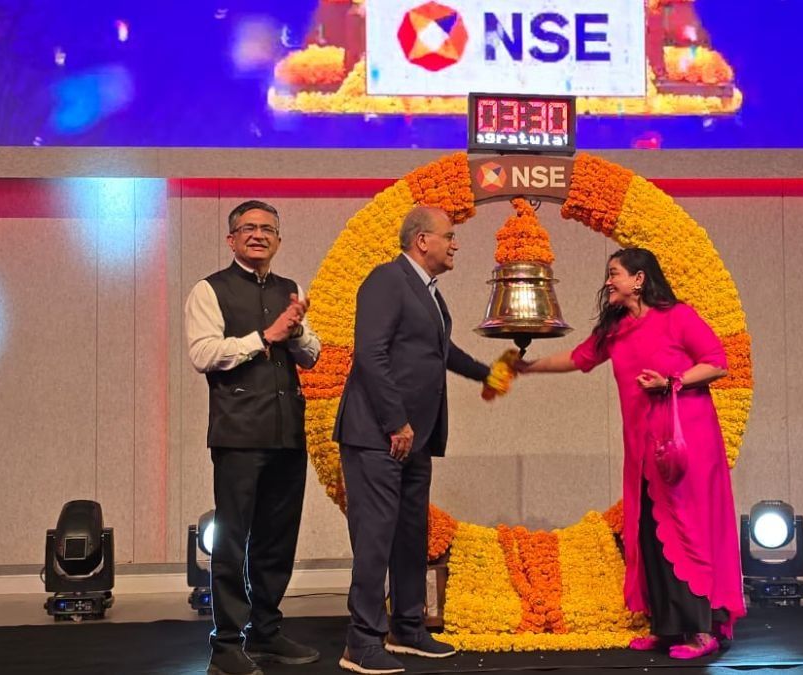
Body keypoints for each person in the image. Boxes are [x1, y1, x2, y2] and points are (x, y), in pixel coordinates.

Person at [519, 247, 746, 660]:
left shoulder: (679, 317)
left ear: (639, 279)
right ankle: (666, 626)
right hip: (642, 446)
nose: (609, 281)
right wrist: (528, 366)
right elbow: (577, 358)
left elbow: (716, 362)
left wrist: (671, 380)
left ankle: (700, 631)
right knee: (650, 534)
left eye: (615, 273)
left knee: (686, 532)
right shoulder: (616, 329)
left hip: (686, 445)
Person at [334, 206, 502, 675]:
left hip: (415, 439)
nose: (456, 244)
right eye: (449, 236)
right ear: (421, 240)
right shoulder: (387, 279)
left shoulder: (428, 293)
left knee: (411, 534)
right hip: (379, 435)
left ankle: (406, 627)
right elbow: (369, 353)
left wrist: (489, 373)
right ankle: (360, 643)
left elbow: (439, 350)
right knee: (376, 538)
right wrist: (395, 422)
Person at [185, 200, 322, 675]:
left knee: (277, 541)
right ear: (231, 239)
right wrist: (265, 335)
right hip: (239, 434)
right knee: (233, 541)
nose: (258, 235)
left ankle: (266, 632)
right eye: (248, 228)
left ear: (279, 240)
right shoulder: (209, 289)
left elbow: (312, 355)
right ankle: (225, 646)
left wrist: (297, 330)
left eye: (268, 229)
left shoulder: (290, 289)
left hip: (288, 432)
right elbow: (203, 354)